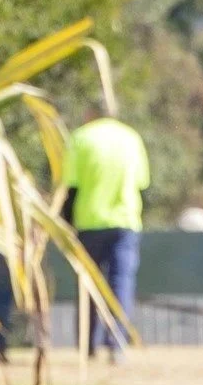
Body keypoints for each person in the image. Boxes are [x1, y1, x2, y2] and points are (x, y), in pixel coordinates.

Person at [63, 109, 150, 359]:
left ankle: (88, 344)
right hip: (125, 221)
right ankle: (117, 344)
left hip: (89, 221)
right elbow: (142, 183)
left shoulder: (81, 137)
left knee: (88, 285)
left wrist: (66, 221)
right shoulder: (131, 137)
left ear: (89, 114)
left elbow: (71, 185)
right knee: (121, 283)